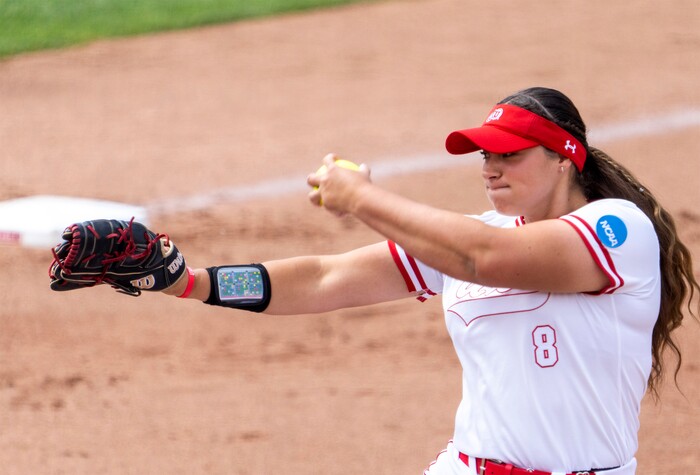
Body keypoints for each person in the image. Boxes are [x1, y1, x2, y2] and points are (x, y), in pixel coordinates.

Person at [52, 87, 699, 475]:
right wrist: (188, 281)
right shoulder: (470, 237)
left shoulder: (617, 231)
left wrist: (360, 195)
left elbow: (485, 260)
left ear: (565, 158)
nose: (490, 168)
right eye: (485, 154)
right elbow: (327, 277)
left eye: (511, 153)